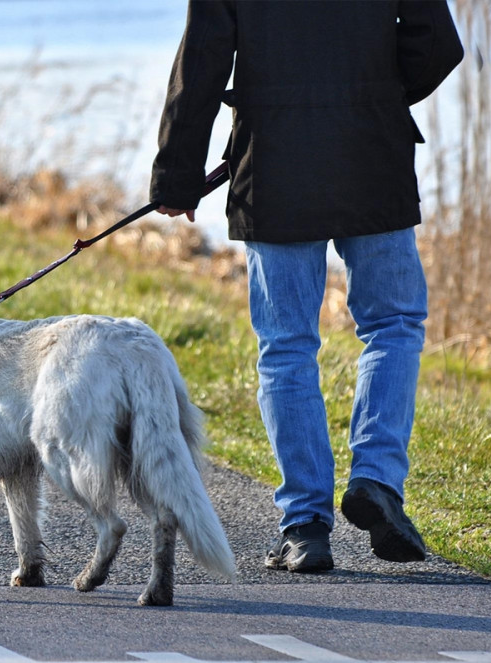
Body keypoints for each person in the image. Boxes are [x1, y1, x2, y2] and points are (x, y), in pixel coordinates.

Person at [150, 1, 463, 572]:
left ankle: (305, 526)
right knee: (393, 325)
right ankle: (377, 481)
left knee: (287, 344)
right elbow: (438, 46)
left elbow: (202, 62)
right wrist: (375, 95)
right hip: (374, 153)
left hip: (274, 166)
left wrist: (177, 174)